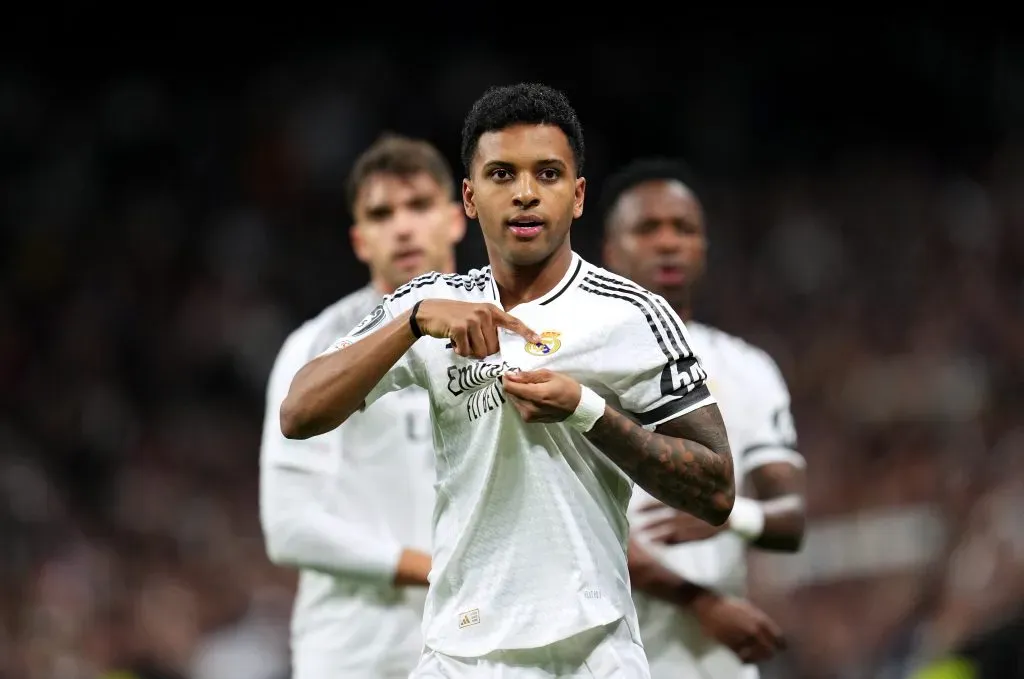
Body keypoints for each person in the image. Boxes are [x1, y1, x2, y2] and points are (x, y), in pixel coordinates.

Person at [279, 82, 736, 678]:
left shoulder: (631, 314)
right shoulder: (430, 303)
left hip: (592, 650)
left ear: (576, 197)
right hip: (460, 652)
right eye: (501, 175)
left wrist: (586, 410)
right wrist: (412, 324)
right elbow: (299, 412)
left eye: (547, 175)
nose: (524, 194)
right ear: (469, 198)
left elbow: (717, 490)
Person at [259, 133, 466, 678]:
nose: (402, 226)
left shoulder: (507, 331)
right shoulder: (321, 348)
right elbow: (289, 526)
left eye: (419, 206)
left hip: (477, 640)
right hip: (360, 651)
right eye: (381, 213)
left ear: (456, 218)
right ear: (359, 239)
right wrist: (436, 569)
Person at [599, 158, 808, 679]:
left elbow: (792, 517)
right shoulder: (579, 364)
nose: (668, 242)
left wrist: (730, 514)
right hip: (608, 654)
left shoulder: (749, 367)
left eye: (684, 229)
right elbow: (578, 527)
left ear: (703, 250)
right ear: (609, 252)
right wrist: (701, 603)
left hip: (718, 662)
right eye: (648, 229)